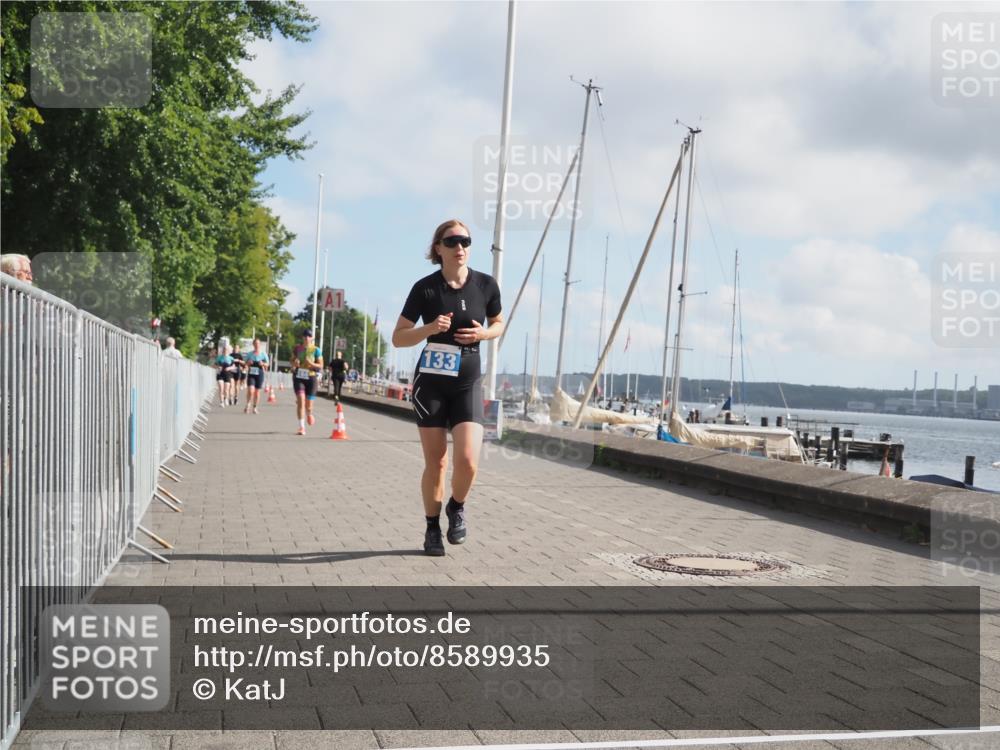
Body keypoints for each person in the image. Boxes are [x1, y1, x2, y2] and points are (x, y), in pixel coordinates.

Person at [391, 219, 504, 556]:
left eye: (465, 241)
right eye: (452, 241)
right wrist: (428, 329)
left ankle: (456, 506)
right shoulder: (425, 289)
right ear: (438, 248)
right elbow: (398, 338)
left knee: (468, 460)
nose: (460, 247)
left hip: (468, 380)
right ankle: (431, 528)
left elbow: (498, 323)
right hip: (432, 383)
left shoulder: (486, 285)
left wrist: (483, 334)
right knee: (437, 462)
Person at [290, 330, 323, 435]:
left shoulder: (316, 350)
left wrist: (311, 364)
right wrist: (294, 363)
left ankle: (309, 413)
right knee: (301, 400)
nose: (306, 337)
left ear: (312, 338)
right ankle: (301, 427)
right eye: (305, 335)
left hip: (311, 378)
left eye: (309, 336)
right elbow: (291, 361)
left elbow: (321, 365)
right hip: (299, 377)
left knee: (308, 406)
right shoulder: (297, 348)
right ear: (302, 337)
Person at [244, 338, 269, 414]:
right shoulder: (250, 354)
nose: (257, 345)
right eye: (255, 343)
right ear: (253, 344)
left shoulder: (263, 354)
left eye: (258, 343)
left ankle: (255, 407)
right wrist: (248, 363)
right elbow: (245, 364)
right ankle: (248, 404)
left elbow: (268, 364)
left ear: (260, 344)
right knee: (251, 390)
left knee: (257, 392)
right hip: (251, 373)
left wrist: (263, 363)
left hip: (260, 373)